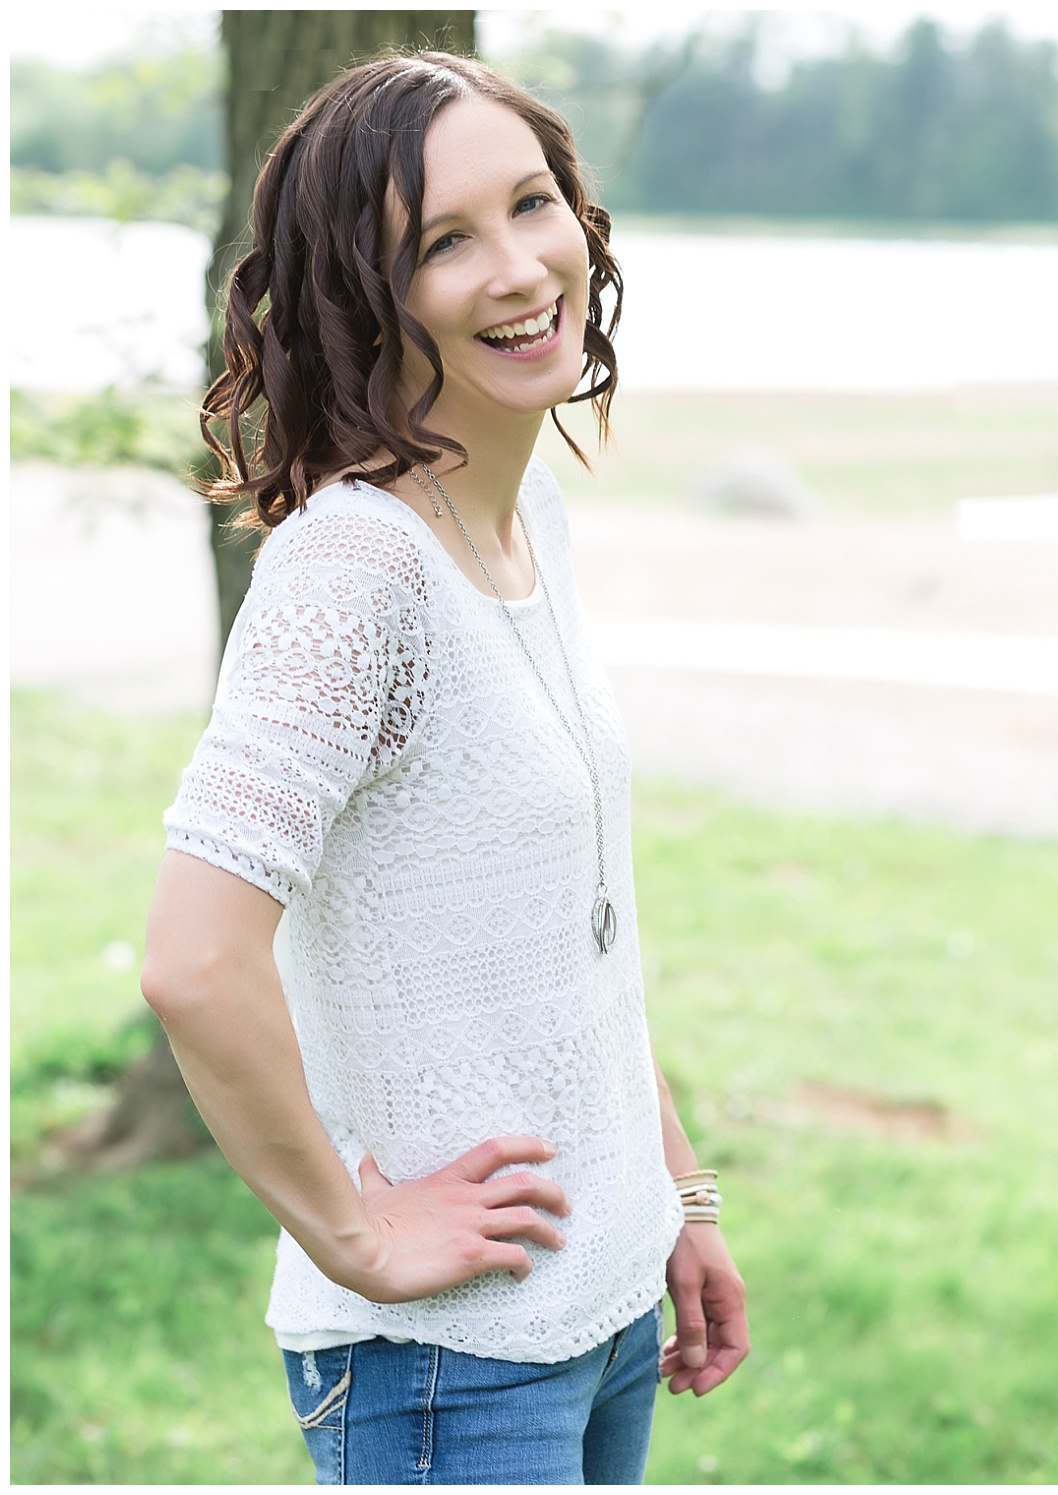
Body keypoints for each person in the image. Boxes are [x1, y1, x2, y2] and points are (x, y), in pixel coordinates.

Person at [141, 50, 748, 1487]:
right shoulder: (355, 566)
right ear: (366, 298)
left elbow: (576, 936)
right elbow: (194, 960)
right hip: (450, 1372)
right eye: (442, 243)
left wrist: (677, 1194)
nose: (522, 267)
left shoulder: (528, 505)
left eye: (533, 204)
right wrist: (354, 1235)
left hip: (598, 1310)